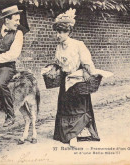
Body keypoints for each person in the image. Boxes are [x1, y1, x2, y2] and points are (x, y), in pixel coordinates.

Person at [52, 8, 100, 146]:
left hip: (77, 81)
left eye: (61, 32)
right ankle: (64, 134)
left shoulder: (78, 45)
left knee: (77, 108)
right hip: (65, 80)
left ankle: (76, 135)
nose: (58, 35)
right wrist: (54, 69)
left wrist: (89, 72)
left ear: (68, 32)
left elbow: (86, 61)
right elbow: (58, 63)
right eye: (57, 32)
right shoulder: (59, 47)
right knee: (65, 108)